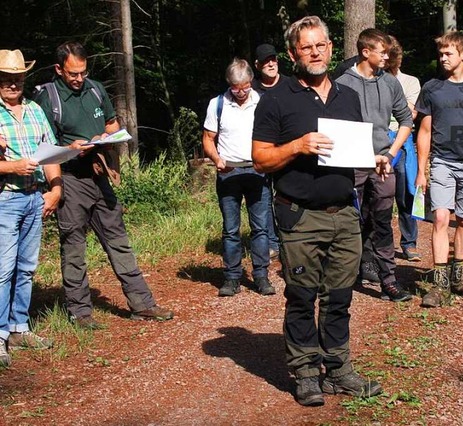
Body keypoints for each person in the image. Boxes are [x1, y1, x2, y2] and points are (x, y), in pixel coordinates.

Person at [252, 15, 384, 407]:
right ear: (294, 54)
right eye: (306, 46)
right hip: (300, 215)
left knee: (340, 296)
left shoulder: (348, 96)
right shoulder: (276, 99)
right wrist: (297, 146)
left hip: (344, 212)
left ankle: (338, 369)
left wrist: (374, 159)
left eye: (321, 44)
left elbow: (353, 151)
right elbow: (259, 160)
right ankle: (307, 372)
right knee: (301, 296)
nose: (315, 52)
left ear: (330, 47)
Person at [34, 41, 173, 329]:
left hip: (100, 175)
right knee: (74, 246)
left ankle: (142, 304)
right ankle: (80, 312)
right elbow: (42, 145)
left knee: (118, 239)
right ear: (59, 69)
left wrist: (106, 135)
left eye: (82, 72)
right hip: (70, 179)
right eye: (72, 74)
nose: (78, 79)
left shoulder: (95, 89)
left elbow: (112, 123)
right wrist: (70, 147)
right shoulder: (48, 98)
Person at [415, 31, 463, 308]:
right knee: (439, 218)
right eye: (441, 54)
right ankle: (439, 282)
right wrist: (421, 170)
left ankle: (460, 275)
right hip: (442, 163)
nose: (443, 58)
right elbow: (423, 131)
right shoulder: (432, 88)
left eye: (448, 53)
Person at [336, 28, 414, 302]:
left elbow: (406, 120)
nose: (387, 56)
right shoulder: (343, 82)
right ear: (365, 52)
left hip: (382, 165)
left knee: (382, 222)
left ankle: (388, 281)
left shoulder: (390, 82)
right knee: (350, 221)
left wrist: (391, 154)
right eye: (382, 51)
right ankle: (343, 279)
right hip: (351, 165)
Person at [0, 49, 62, 366]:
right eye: (7, 78)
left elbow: (49, 153)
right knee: (3, 270)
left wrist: (55, 189)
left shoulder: (36, 110)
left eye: (17, 78)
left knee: (26, 268)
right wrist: (11, 167)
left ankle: (19, 327)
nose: (13, 83)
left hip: (34, 197)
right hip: (6, 199)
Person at [202, 58, 273, 297]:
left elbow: (274, 135)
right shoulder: (217, 104)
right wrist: (216, 159)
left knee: (260, 228)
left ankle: (261, 276)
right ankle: (232, 277)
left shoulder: (263, 102)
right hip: (228, 174)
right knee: (231, 230)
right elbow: (208, 138)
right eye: (235, 88)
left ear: (251, 81)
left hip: (257, 172)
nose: (241, 92)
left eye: (245, 87)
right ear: (229, 84)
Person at [385, 35, 422, 262]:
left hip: (404, 137)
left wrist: (393, 93)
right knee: (381, 196)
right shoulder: (374, 80)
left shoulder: (410, 81)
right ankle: (383, 244)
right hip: (379, 138)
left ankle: (409, 243)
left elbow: (412, 113)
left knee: (407, 193)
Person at [251, 43, 289, 260]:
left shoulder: (290, 85)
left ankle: (288, 239)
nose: (271, 63)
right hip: (263, 151)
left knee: (285, 196)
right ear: (257, 65)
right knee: (263, 198)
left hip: (287, 150)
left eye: (273, 59)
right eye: (266, 61)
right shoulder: (251, 89)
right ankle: (271, 242)